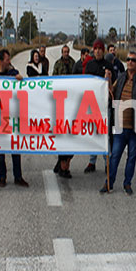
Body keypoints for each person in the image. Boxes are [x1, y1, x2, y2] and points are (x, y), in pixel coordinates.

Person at [99, 51, 136, 195]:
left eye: (133, 60)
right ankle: (109, 183)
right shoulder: (121, 77)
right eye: (128, 59)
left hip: (135, 126)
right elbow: (111, 91)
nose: (130, 62)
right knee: (115, 156)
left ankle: (127, 183)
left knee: (132, 157)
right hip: (120, 126)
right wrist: (108, 79)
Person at [0, 49, 29, 188]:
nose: (9, 61)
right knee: (0, 149)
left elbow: (19, 79)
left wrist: (19, 78)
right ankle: (2, 177)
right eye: (7, 59)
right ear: (0, 61)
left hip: (11, 117)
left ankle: (18, 177)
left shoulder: (12, 73)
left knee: (15, 148)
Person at [83, 39, 113, 173]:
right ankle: (92, 161)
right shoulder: (89, 65)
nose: (98, 51)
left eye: (100, 49)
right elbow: (85, 84)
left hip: (105, 105)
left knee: (105, 135)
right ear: (93, 50)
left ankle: (107, 162)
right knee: (93, 133)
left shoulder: (108, 65)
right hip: (92, 105)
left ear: (103, 51)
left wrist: (108, 78)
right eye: (96, 49)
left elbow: (112, 88)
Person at [51, 45, 76, 178]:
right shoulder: (57, 64)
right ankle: (62, 167)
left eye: (67, 52)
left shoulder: (73, 63)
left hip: (71, 100)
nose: (66, 53)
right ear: (62, 53)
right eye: (64, 52)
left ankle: (62, 165)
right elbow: (53, 80)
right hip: (60, 101)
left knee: (72, 138)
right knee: (62, 136)